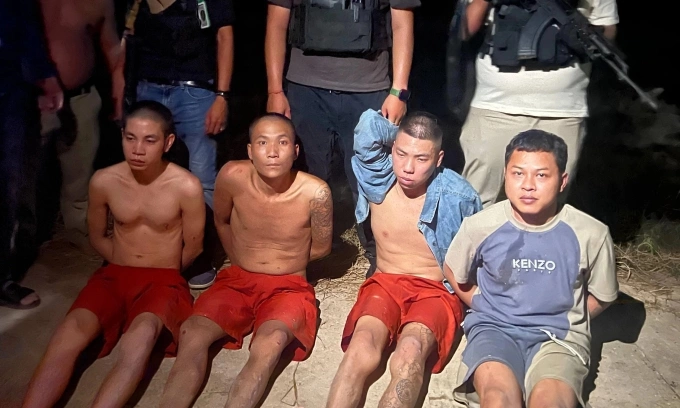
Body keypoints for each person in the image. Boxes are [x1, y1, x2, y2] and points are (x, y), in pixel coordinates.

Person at [22, 101, 205, 408]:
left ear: (167, 142)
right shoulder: (105, 180)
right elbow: (97, 236)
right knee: (69, 332)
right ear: (121, 136)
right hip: (114, 274)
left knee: (141, 336)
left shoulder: (186, 186)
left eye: (149, 140)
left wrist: (165, 269)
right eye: (130, 138)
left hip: (163, 280)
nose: (137, 149)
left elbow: (195, 246)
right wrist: (122, 260)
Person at [158, 113, 332, 408]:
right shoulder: (232, 175)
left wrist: (284, 263)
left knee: (270, 342)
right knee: (193, 332)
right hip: (238, 278)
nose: (272, 152)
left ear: (295, 151)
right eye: (263, 143)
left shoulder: (315, 192)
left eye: (282, 143)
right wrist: (238, 258)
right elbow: (222, 220)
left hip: (289, 285)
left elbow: (322, 247)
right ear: (250, 150)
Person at [444, 130, 619, 408]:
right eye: (518, 173)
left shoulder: (591, 233)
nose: (528, 185)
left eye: (541, 175)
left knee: (549, 401)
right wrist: (482, 304)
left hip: (559, 338)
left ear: (562, 181)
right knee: (498, 399)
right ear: (505, 175)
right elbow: (454, 270)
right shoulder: (480, 225)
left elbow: (603, 295)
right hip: (495, 330)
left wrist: (570, 317)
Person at [326, 110, 481, 408]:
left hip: (434, 291)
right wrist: (401, 130)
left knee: (410, 352)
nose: (408, 168)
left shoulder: (459, 196)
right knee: (360, 348)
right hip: (385, 282)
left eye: (422, 158)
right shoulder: (378, 177)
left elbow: (477, 256)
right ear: (393, 148)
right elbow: (368, 127)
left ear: (438, 159)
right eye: (401, 154)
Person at [265, 0, 420, 278]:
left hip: (368, 88)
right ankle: (305, 254)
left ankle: (380, 256)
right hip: (305, 88)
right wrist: (275, 90)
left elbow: (402, 24)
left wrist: (399, 91)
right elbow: (276, 23)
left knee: (371, 178)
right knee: (307, 176)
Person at [460, 0, 619, 207]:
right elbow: (464, 30)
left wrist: (577, 28)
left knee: (546, 203)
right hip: (496, 105)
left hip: (563, 110)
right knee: (477, 199)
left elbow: (606, 34)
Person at [122, 0, 235, 288]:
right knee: (144, 172)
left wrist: (222, 95)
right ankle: (144, 250)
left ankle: (198, 257)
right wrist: (123, 89)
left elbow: (224, 35)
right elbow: (125, 37)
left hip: (196, 91)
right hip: (147, 86)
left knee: (202, 178)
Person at [37, 0, 123, 252]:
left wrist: (118, 95)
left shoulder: (98, 2)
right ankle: (22, 238)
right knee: (26, 174)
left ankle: (77, 229)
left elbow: (112, 48)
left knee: (80, 170)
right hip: (32, 99)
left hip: (81, 98)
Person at [0, 0, 63, 309]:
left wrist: (45, 75)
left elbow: (26, 26)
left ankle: (1, 280)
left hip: (8, 93)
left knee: (7, 189)